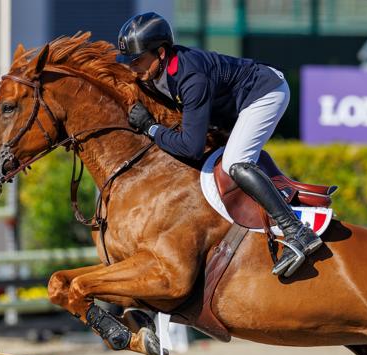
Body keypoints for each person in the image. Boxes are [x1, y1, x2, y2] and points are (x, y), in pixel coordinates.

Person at [117, 12, 322, 277]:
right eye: (129, 62)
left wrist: (151, 127)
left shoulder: (191, 77)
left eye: (138, 60)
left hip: (265, 92)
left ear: (161, 52)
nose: (133, 68)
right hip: (231, 109)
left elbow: (190, 147)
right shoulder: (152, 76)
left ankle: (298, 232)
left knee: (235, 162)